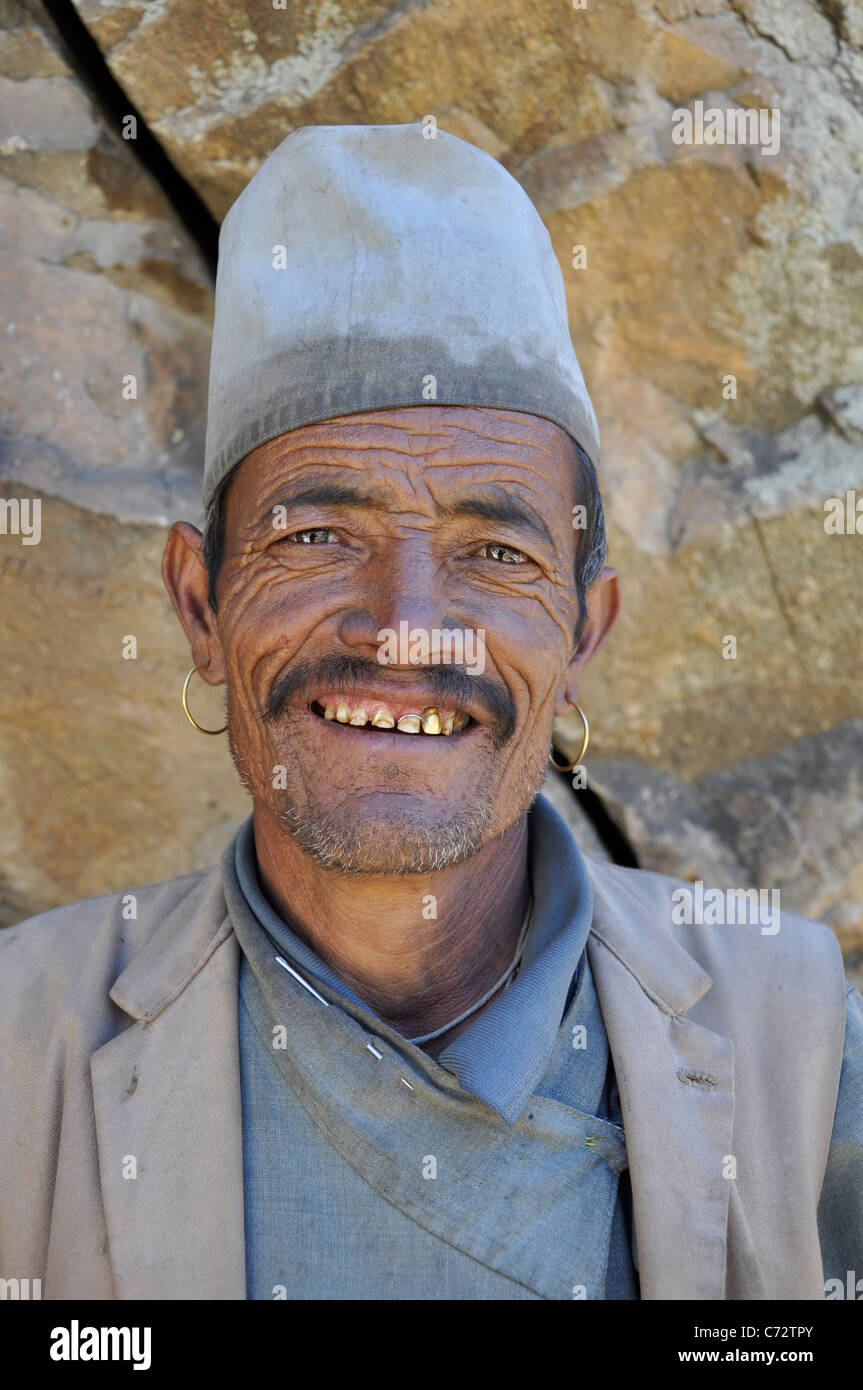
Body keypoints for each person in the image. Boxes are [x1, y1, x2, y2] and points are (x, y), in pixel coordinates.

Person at [1, 123, 860, 1301]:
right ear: (201, 606)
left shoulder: (799, 1045)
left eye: (493, 550)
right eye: (315, 536)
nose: (405, 626)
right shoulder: (23, 1048)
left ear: (580, 635)